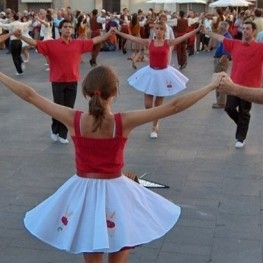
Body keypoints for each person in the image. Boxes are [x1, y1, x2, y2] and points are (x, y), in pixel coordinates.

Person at [0, 65, 219, 263]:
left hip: (83, 192)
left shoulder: (74, 119)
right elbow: (175, 106)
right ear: (115, 92)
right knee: (121, 243)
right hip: (117, 192)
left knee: (91, 250)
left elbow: (30, 95)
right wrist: (210, 86)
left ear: (85, 92)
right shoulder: (123, 121)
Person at [14, 20, 114, 144]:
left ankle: (63, 133)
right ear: (60, 30)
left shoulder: (78, 44)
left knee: (69, 108)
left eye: (70, 27)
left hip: (72, 81)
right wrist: (21, 36)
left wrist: (109, 33)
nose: (68, 29)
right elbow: (35, 43)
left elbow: (95, 40)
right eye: (65, 27)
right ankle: (55, 129)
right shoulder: (51, 44)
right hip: (57, 81)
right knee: (57, 107)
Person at [113, 22, 200, 138]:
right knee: (148, 104)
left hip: (163, 75)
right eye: (157, 29)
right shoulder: (149, 42)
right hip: (150, 73)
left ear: (165, 31)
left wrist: (197, 29)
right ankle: (154, 119)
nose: (159, 31)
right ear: (154, 30)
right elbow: (132, 38)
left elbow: (183, 37)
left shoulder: (168, 43)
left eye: (161, 29)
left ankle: (155, 125)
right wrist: (118, 32)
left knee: (158, 104)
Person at [202, 21, 263, 148]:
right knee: (229, 108)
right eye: (243, 28)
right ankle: (242, 126)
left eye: (248, 29)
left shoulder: (260, 48)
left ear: (254, 31)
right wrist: (207, 32)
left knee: (244, 112)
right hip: (233, 85)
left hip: (249, 87)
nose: (245, 31)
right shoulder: (236, 44)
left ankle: (241, 137)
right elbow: (221, 38)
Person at [212, 21, 232, 109]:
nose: (218, 28)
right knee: (219, 80)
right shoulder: (225, 36)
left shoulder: (226, 37)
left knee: (219, 81)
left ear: (222, 28)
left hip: (221, 60)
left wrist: (220, 61)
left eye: (219, 27)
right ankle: (220, 101)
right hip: (220, 58)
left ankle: (221, 102)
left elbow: (226, 52)